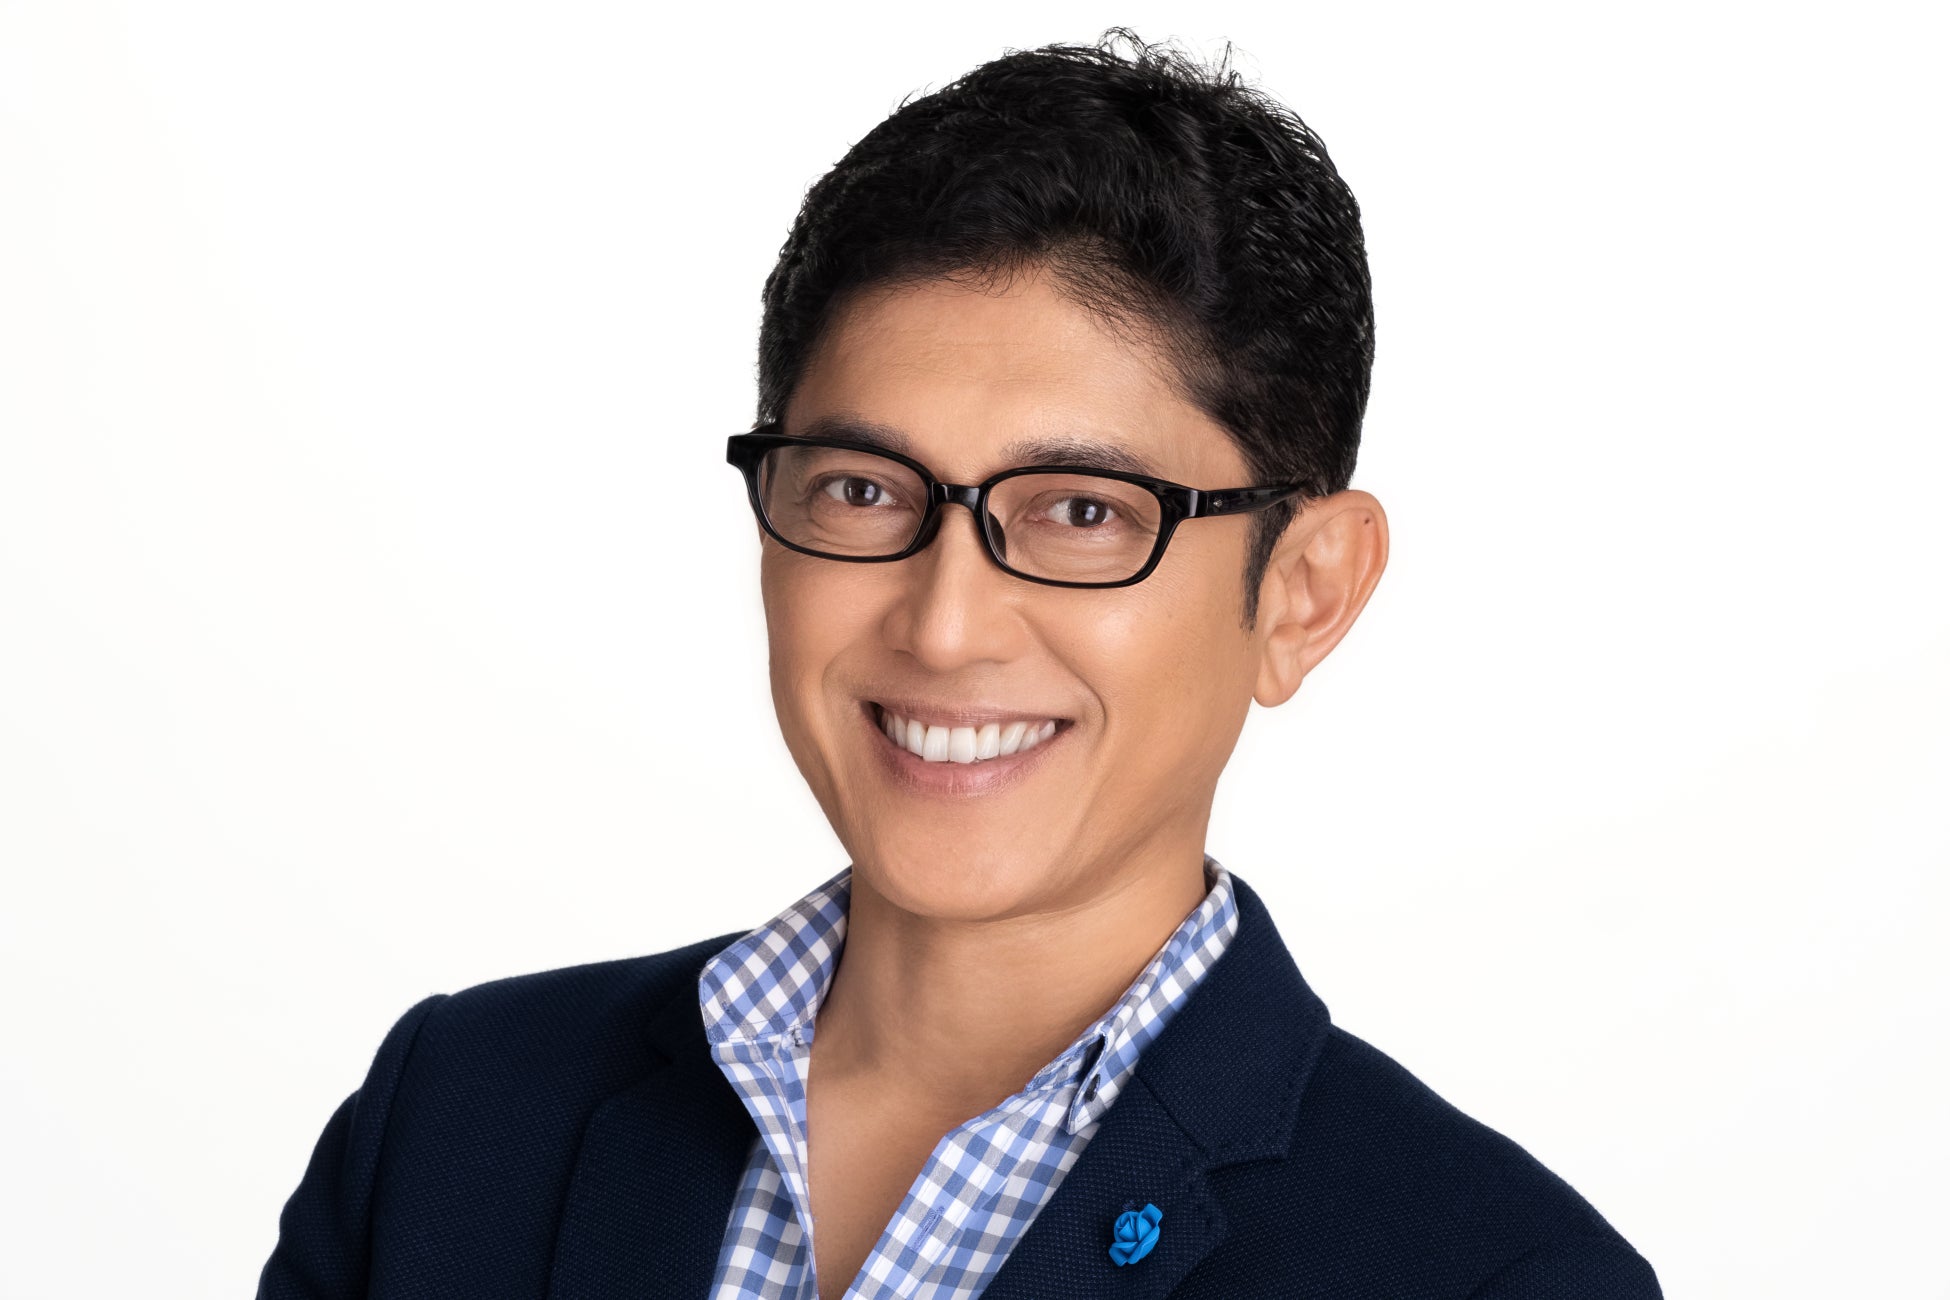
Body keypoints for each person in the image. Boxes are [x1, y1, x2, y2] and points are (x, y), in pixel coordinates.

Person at [259, 30, 1661, 1300]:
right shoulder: (459, 1116)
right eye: (863, 490)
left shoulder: (1495, 1278)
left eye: (1082, 513)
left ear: (1303, 593)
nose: (943, 626)